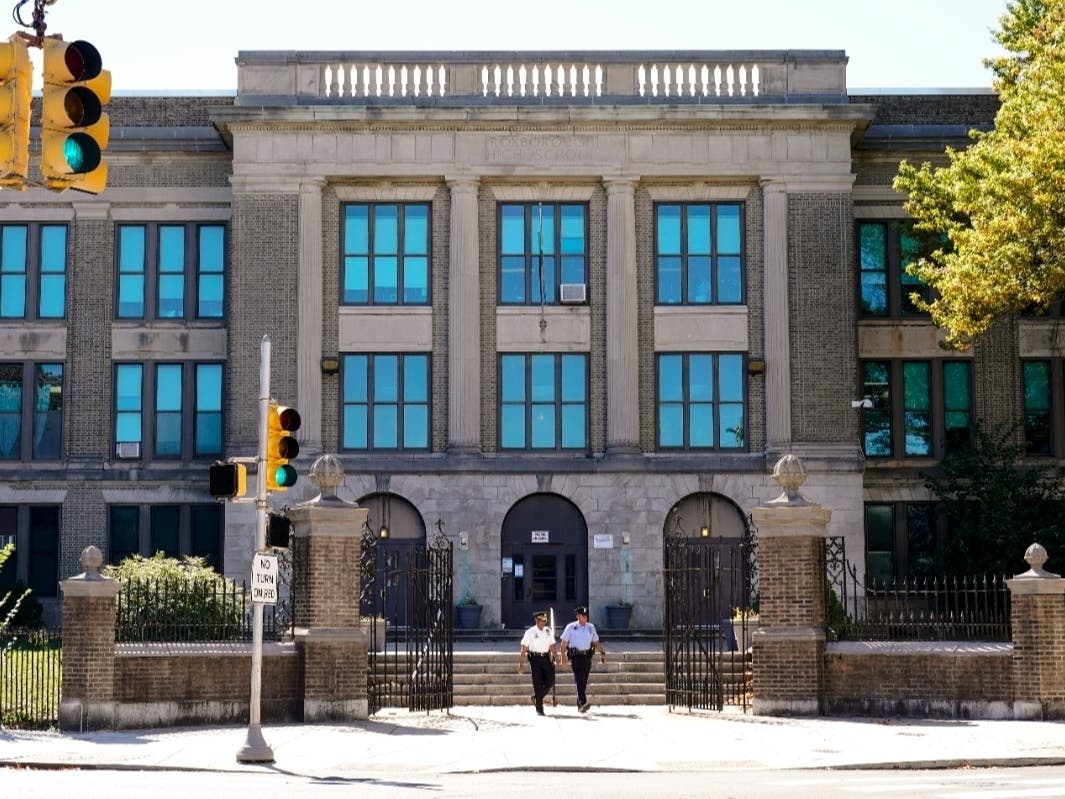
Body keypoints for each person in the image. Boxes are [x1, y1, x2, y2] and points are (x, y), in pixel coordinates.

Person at [559, 605, 606, 713]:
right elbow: (563, 643)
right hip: (576, 657)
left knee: (583, 681)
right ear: (578, 616)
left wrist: (602, 652)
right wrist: (563, 657)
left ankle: (580, 705)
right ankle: (582, 703)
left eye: (586, 615)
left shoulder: (591, 627)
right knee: (579, 679)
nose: (585, 618)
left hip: (587, 656)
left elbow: (596, 642)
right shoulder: (571, 627)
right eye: (583, 615)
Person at [518, 610, 557, 716]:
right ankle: (539, 709)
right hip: (535, 659)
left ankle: (536, 697)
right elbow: (524, 648)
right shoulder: (530, 632)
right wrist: (521, 664)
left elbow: (552, 645)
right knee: (537, 683)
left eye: (545, 621)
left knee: (550, 681)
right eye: (542, 621)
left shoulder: (548, 631)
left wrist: (557, 657)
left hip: (546, 658)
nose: (544, 623)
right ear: (536, 620)